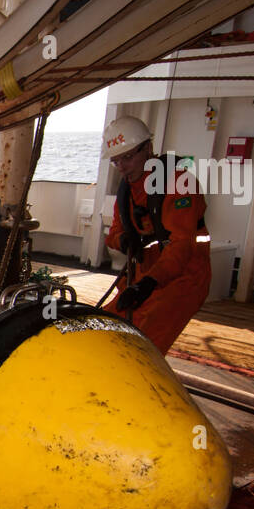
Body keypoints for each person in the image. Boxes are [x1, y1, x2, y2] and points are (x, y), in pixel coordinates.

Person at [101, 116, 211, 354]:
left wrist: (150, 283)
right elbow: (115, 232)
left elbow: (181, 245)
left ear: (148, 149)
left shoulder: (180, 185)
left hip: (183, 277)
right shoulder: (128, 190)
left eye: (128, 157)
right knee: (107, 325)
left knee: (143, 344)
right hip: (144, 274)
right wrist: (122, 239)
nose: (122, 167)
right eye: (116, 161)